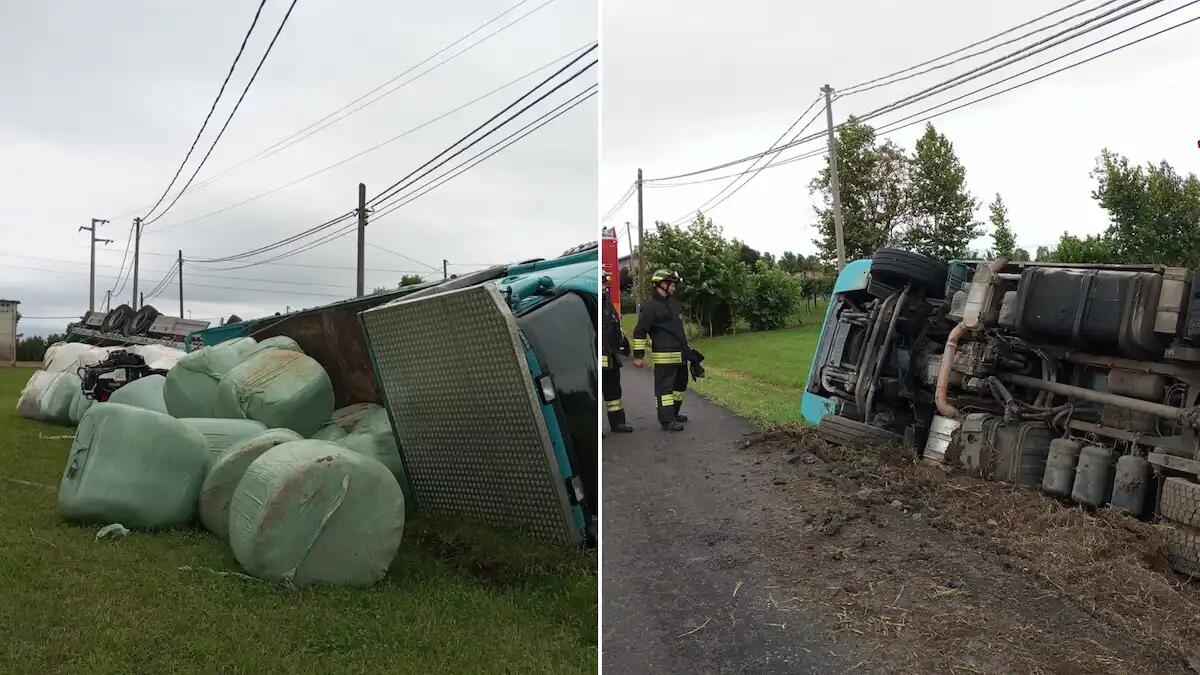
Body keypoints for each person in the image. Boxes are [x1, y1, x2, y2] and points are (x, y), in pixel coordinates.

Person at [631, 269, 689, 432]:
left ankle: (674, 414)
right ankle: (666, 421)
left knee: (680, 385)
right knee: (665, 390)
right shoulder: (649, 307)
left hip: (680, 353)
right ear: (663, 284)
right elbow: (639, 331)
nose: (674, 288)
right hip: (664, 356)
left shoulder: (672, 303)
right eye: (672, 284)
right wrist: (638, 356)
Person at [601, 271, 633, 433]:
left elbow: (614, 325)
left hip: (611, 354)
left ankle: (618, 423)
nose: (605, 286)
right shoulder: (591, 303)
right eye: (602, 281)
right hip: (598, 356)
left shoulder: (607, 303)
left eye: (605, 282)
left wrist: (622, 342)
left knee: (613, 391)